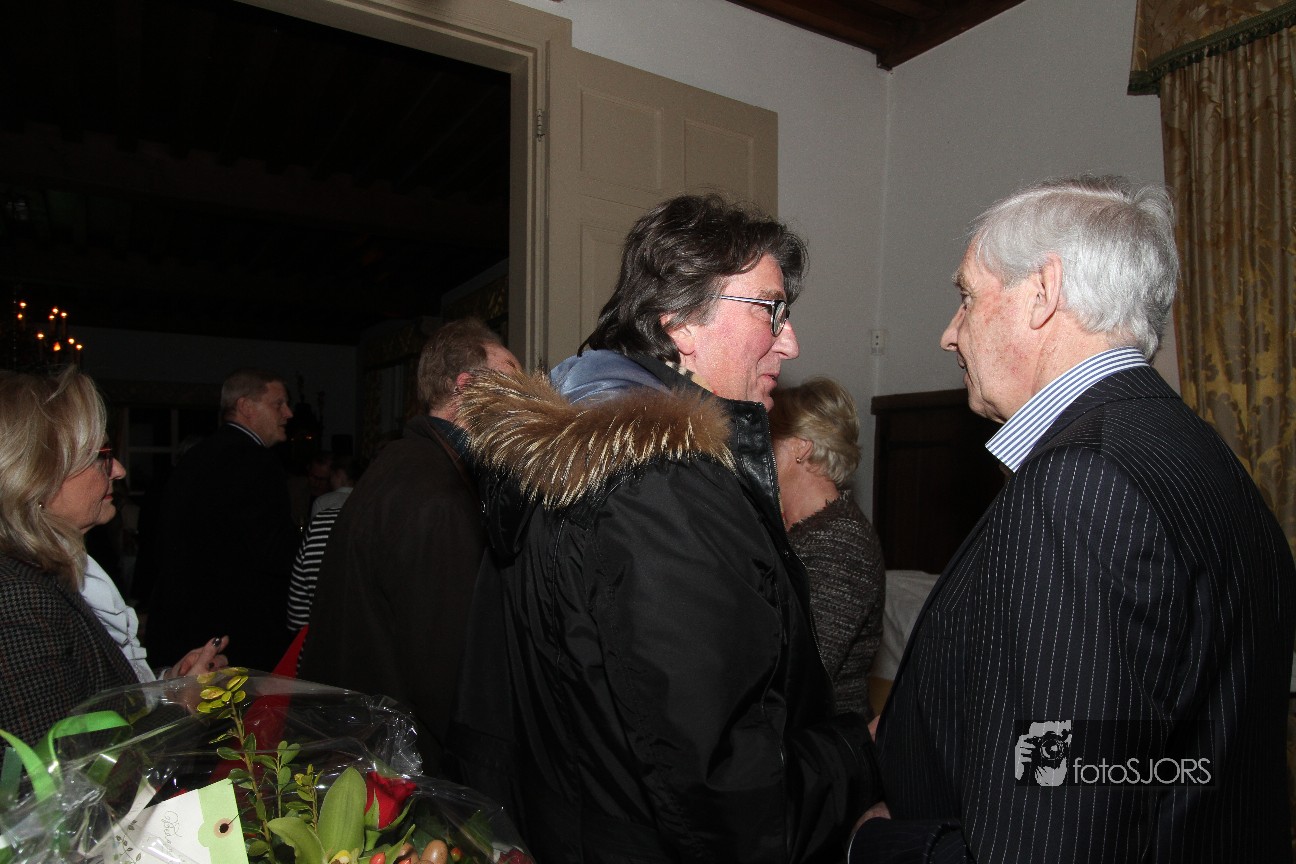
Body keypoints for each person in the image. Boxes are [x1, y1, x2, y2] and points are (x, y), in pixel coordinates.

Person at [851, 176, 1296, 862]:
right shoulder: (1198, 451)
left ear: (1043, 291)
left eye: (967, 297)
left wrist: (879, 845)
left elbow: (1051, 831)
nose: (950, 333)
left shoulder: (1084, 481)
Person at [449, 194, 878, 863]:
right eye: (769, 309)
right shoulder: (660, 490)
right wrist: (858, 750)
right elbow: (727, 799)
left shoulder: (590, 462)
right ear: (679, 324)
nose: (790, 341)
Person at [299, 318, 520, 771]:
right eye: (511, 385)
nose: (522, 402)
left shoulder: (403, 462)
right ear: (468, 388)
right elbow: (447, 669)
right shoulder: (439, 492)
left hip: (362, 741)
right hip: (400, 759)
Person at [0, 368, 225, 743]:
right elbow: (58, 770)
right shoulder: (18, 598)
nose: (118, 470)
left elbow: (91, 701)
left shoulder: (57, 571)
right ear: (38, 473)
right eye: (101, 456)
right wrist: (182, 706)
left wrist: (167, 686)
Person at [147, 368, 300, 671]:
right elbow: (273, 553)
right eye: (278, 404)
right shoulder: (257, 462)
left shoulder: (195, 457)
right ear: (245, 406)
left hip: (181, 623)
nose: (288, 413)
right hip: (233, 637)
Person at [770, 377, 885, 720]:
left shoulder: (841, 541)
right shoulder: (800, 530)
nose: (756, 450)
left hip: (825, 742)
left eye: (768, 437)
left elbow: (798, 672)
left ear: (801, 447)